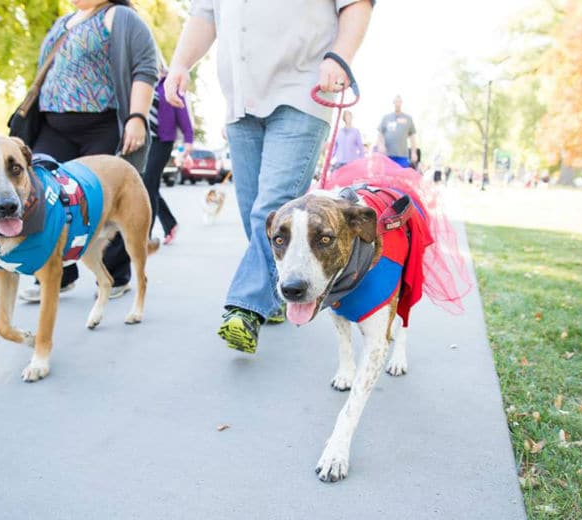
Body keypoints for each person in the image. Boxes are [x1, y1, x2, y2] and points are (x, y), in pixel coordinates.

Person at [165, 0, 373, 353]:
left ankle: (245, 308)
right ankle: (279, 294)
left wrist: (340, 55)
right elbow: (204, 15)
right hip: (240, 101)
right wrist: (180, 64)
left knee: (272, 208)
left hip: (302, 91)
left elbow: (356, 3)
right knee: (259, 219)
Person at [18, 0, 158, 303]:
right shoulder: (64, 22)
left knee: (104, 200)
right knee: (42, 197)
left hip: (102, 124)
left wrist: (137, 118)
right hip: (53, 125)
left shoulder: (119, 16)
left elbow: (145, 67)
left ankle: (116, 275)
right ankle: (56, 274)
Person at [144, 73, 194, 245]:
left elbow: (182, 112)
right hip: (144, 142)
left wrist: (189, 140)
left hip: (162, 141)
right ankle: (169, 224)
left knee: (148, 184)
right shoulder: (142, 81)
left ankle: (146, 235)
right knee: (149, 186)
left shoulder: (169, 84)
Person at [376, 95, 417, 168]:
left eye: (399, 102)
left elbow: (412, 137)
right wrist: (380, 145)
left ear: (401, 103)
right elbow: (380, 134)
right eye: (396, 102)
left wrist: (414, 152)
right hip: (388, 155)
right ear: (393, 103)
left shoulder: (408, 118)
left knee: (401, 177)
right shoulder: (386, 118)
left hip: (402, 155)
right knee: (388, 177)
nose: (397, 104)